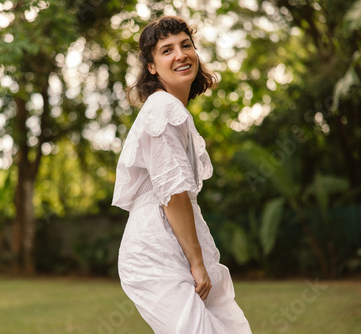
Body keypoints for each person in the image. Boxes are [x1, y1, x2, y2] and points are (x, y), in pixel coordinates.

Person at [111, 16, 252, 333]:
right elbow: (172, 193)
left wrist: (198, 260)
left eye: (186, 45)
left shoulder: (173, 111)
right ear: (151, 67)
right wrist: (197, 263)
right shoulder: (162, 107)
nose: (181, 54)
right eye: (166, 50)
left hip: (178, 242)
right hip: (154, 251)